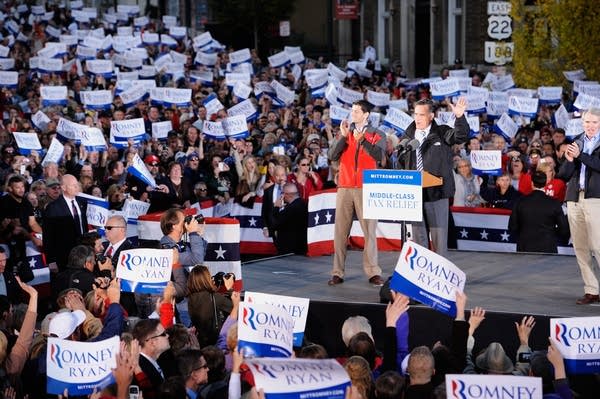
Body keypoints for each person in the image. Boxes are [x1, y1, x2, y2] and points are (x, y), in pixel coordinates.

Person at [398, 97, 469, 257]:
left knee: (439, 243)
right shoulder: (407, 136)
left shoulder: (442, 132)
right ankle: (420, 277)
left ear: (431, 116)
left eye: (421, 115)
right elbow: (401, 161)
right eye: (415, 114)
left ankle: (439, 278)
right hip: (414, 195)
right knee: (418, 241)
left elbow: (461, 136)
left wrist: (459, 117)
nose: (417, 118)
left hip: (437, 193)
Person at [328, 100, 385, 287]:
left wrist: (363, 140)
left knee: (369, 232)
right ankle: (337, 272)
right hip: (344, 187)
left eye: (357, 111)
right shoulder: (345, 133)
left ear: (366, 114)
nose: (353, 114)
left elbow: (380, 156)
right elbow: (332, 156)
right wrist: (343, 138)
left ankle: (373, 272)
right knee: (340, 232)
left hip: (366, 187)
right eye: (352, 111)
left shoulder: (377, 134)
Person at [557, 108, 600, 305]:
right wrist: (569, 159)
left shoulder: (584, 146)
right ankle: (591, 290)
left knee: (598, 247)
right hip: (575, 198)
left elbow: (597, 164)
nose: (590, 126)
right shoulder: (576, 141)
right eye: (587, 122)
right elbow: (564, 174)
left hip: (595, 199)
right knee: (581, 247)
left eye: (594, 122)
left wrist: (580, 155)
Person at [508, 171, 570, 253]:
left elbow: (512, 227)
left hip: (525, 247)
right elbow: (564, 229)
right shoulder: (554, 203)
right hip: (548, 247)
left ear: (532, 183)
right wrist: (551, 233)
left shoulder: (520, 201)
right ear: (545, 184)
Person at [42, 174, 88, 272]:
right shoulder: (53, 208)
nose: (76, 187)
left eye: (77, 185)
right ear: (63, 187)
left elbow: (84, 228)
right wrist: (51, 261)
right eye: (73, 185)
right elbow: (48, 236)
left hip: (84, 254)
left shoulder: (82, 203)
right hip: (63, 258)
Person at [187, 265, 234, 348]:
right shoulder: (215, 297)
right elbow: (234, 307)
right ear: (206, 279)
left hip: (200, 340)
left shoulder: (191, 297)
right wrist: (229, 288)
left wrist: (213, 288)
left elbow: (205, 299)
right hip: (214, 342)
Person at [103, 215, 137, 315]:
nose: (105, 231)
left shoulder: (131, 251)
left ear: (122, 230)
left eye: (109, 228)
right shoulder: (101, 246)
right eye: (105, 228)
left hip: (121, 301)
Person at [271, 183, 309, 255]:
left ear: (289, 195)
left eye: (283, 193)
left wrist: (276, 207)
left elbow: (275, 224)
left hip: (289, 251)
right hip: (302, 248)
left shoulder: (289, 209)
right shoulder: (305, 204)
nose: (282, 196)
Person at [261, 165, 287, 240]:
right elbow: (264, 211)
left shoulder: (292, 189)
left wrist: (284, 189)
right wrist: (265, 227)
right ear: (274, 176)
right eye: (277, 175)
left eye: (282, 175)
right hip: (274, 227)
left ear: (285, 176)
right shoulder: (268, 191)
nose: (280, 178)